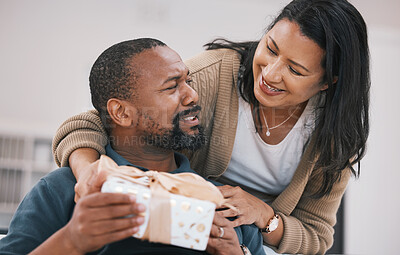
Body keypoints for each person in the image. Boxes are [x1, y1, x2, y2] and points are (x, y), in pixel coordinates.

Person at [51, 0, 370, 254]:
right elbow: (105, 117)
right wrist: (87, 171)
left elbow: (316, 236)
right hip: (190, 222)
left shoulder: (335, 135)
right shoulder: (214, 75)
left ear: (328, 82)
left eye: (295, 70)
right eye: (270, 48)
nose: (270, 74)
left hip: (252, 240)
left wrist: (263, 215)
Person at [0, 39, 265, 255]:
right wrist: (72, 241)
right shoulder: (63, 189)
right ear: (121, 113)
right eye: (172, 86)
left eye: (189, 82)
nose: (193, 96)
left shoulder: (225, 202)